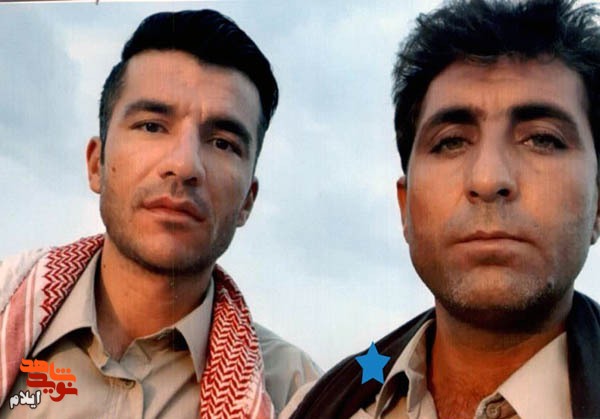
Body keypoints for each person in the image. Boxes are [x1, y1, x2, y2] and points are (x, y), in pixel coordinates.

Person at [284, 0, 600, 417]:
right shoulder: (316, 406)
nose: (488, 179)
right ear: (405, 207)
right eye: (451, 142)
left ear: (598, 203)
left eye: (541, 139)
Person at [0, 10, 320, 418]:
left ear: (247, 201)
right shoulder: (8, 310)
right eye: (152, 126)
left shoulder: (298, 396)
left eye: (222, 143)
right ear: (97, 164)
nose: (184, 165)